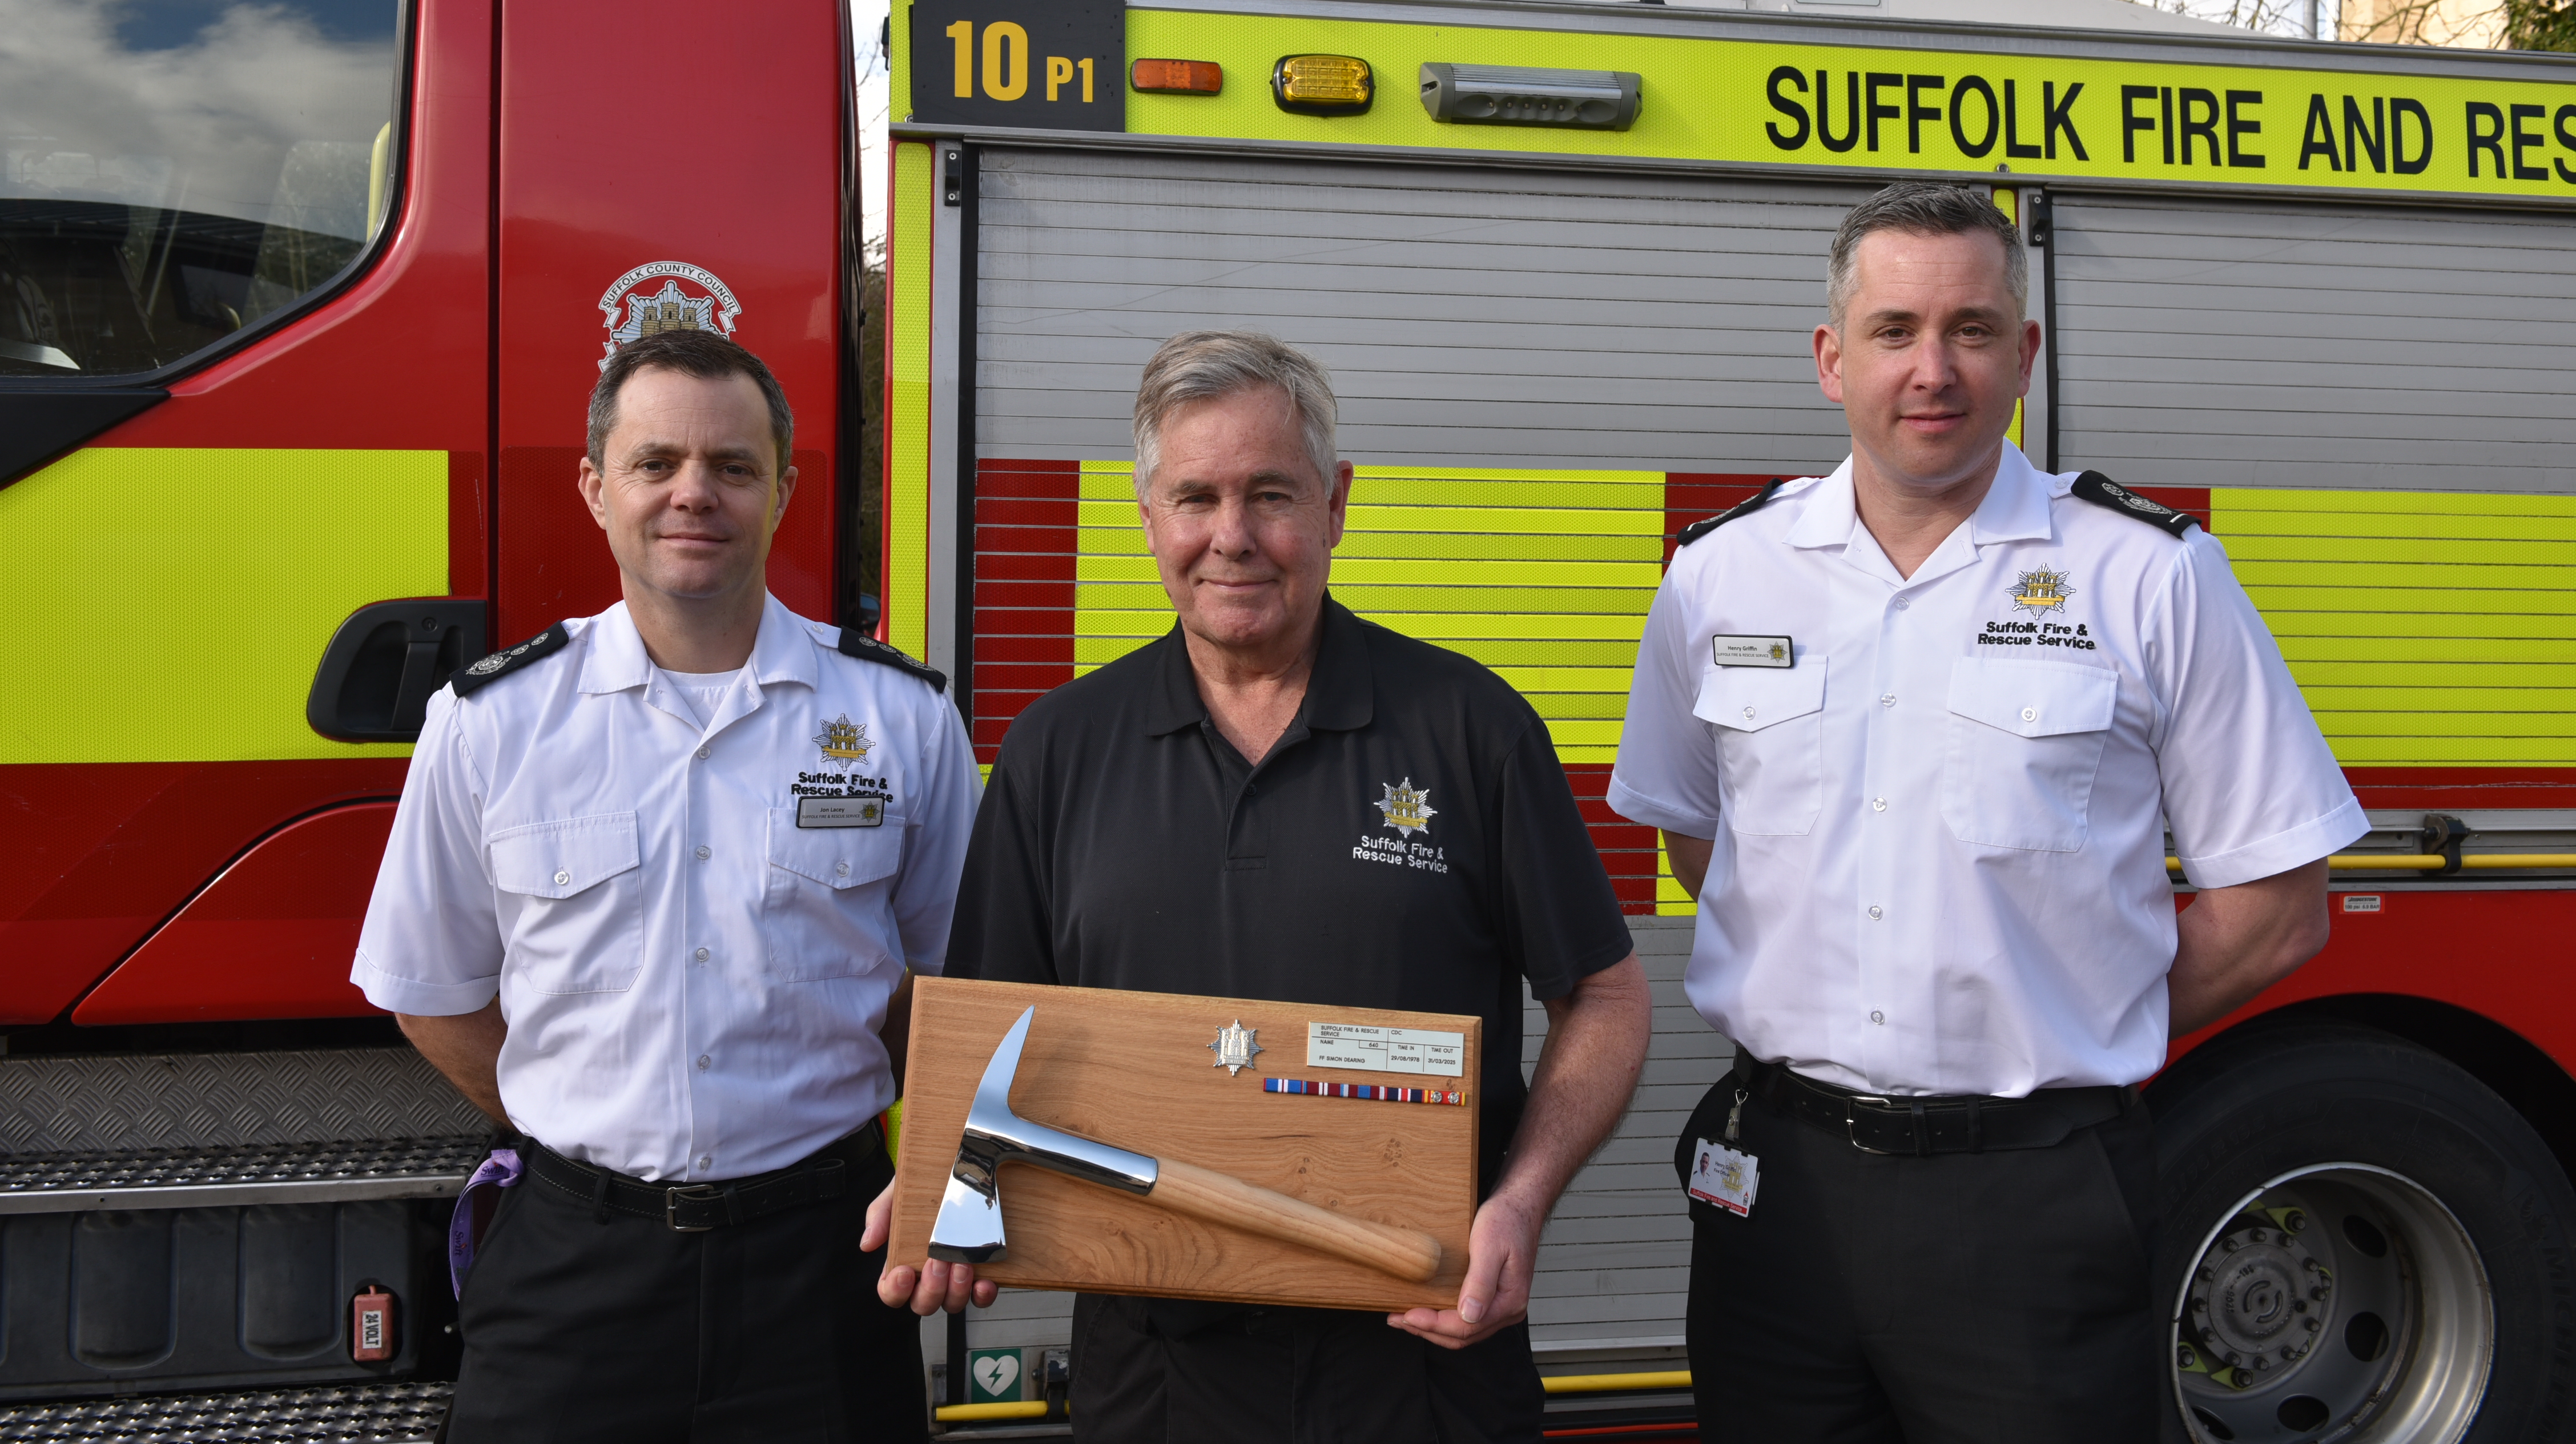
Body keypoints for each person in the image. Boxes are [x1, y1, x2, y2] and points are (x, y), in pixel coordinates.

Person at [1607, 183, 2364, 1442]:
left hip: (2038, 1195)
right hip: (1778, 1187)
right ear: (1829, 358)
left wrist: (2076, 1016)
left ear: (2026, 354)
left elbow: (2280, 908)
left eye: (1971, 329)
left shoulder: (2149, 573)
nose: (1932, 368)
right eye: (1896, 328)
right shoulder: (1719, 574)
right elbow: (1704, 842)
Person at [864, 331, 1653, 1444]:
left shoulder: (1471, 727)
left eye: (1269, 493)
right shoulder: (1055, 751)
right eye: (1196, 497)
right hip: (1156, 1375)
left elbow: (1608, 997)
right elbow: (992, 1036)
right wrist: (949, 1175)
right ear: (1148, 519)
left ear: (1336, 502)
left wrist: (1522, 1198)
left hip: (1422, 1357)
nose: (1231, 537)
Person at [353, 328, 978, 1443]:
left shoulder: (900, 720)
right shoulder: (492, 723)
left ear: (783, 488)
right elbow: (430, 989)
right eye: (657, 464)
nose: (695, 494)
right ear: (597, 488)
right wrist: (590, 1104)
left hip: (824, 1263)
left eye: (733, 467)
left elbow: (955, 989)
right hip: (571, 1270)